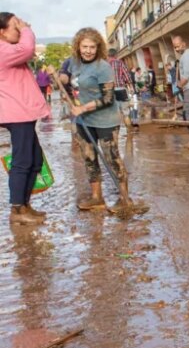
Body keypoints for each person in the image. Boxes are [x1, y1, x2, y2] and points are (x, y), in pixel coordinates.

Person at [58, 28, 132, 211]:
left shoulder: (103, 67)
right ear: (78, 46)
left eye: (92, 47)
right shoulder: (74, 63)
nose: (88, 50)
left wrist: (83, 107)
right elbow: (67, 80)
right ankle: (97, 197)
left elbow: (108, 99)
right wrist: (59, 79)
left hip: (106, 120)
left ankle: (125, 199)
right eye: (85, 46)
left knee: (112, 158)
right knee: (89, 158)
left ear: (98, 48)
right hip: (84, 121)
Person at [0, 13, 51, 224]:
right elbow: (28, 48)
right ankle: (17, 210)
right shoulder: (2, 50)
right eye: (15, 27)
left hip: (24, 112)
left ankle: (25, 205)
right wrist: (27, 30)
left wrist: (22, 31)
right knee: (22, 162)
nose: (19, 30)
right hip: (17, 113)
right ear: (1, 32)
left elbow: (25, 51)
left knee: (35, 159)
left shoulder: (9, 50)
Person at [107, 48, 135, 128]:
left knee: (113, 114)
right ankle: (130, 135)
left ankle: (115, 138)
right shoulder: (120, 63)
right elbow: (127, 76)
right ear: (116, 55)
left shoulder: (105, 65)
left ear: (108, 55)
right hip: (121, 89)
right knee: (126, 113)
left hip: (110, 91)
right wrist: (131, 87)